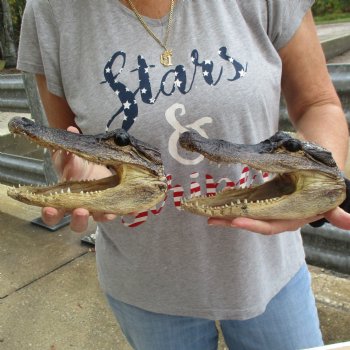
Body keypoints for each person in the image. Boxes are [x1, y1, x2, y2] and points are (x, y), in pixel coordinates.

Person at [17, 0, 350, 349]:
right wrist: (85, 172)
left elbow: (318, 104)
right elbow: (70, 142)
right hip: (146, 290)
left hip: (271, 274)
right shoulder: (49, 11)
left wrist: (319, 185)